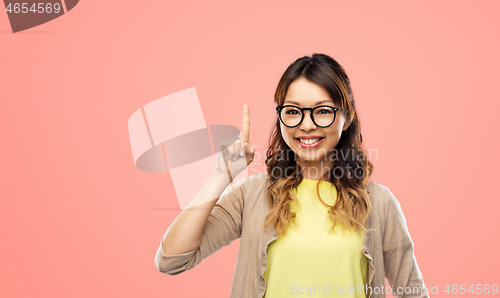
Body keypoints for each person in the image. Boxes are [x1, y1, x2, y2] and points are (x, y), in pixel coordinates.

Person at [155, 53, 429, 298]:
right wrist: (220, 176)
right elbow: (172, 260)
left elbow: (412, 292)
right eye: (293, 112)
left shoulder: (379, 204)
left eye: (322, 111)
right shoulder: (252, 195)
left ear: (347, 116)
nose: (306, 125)